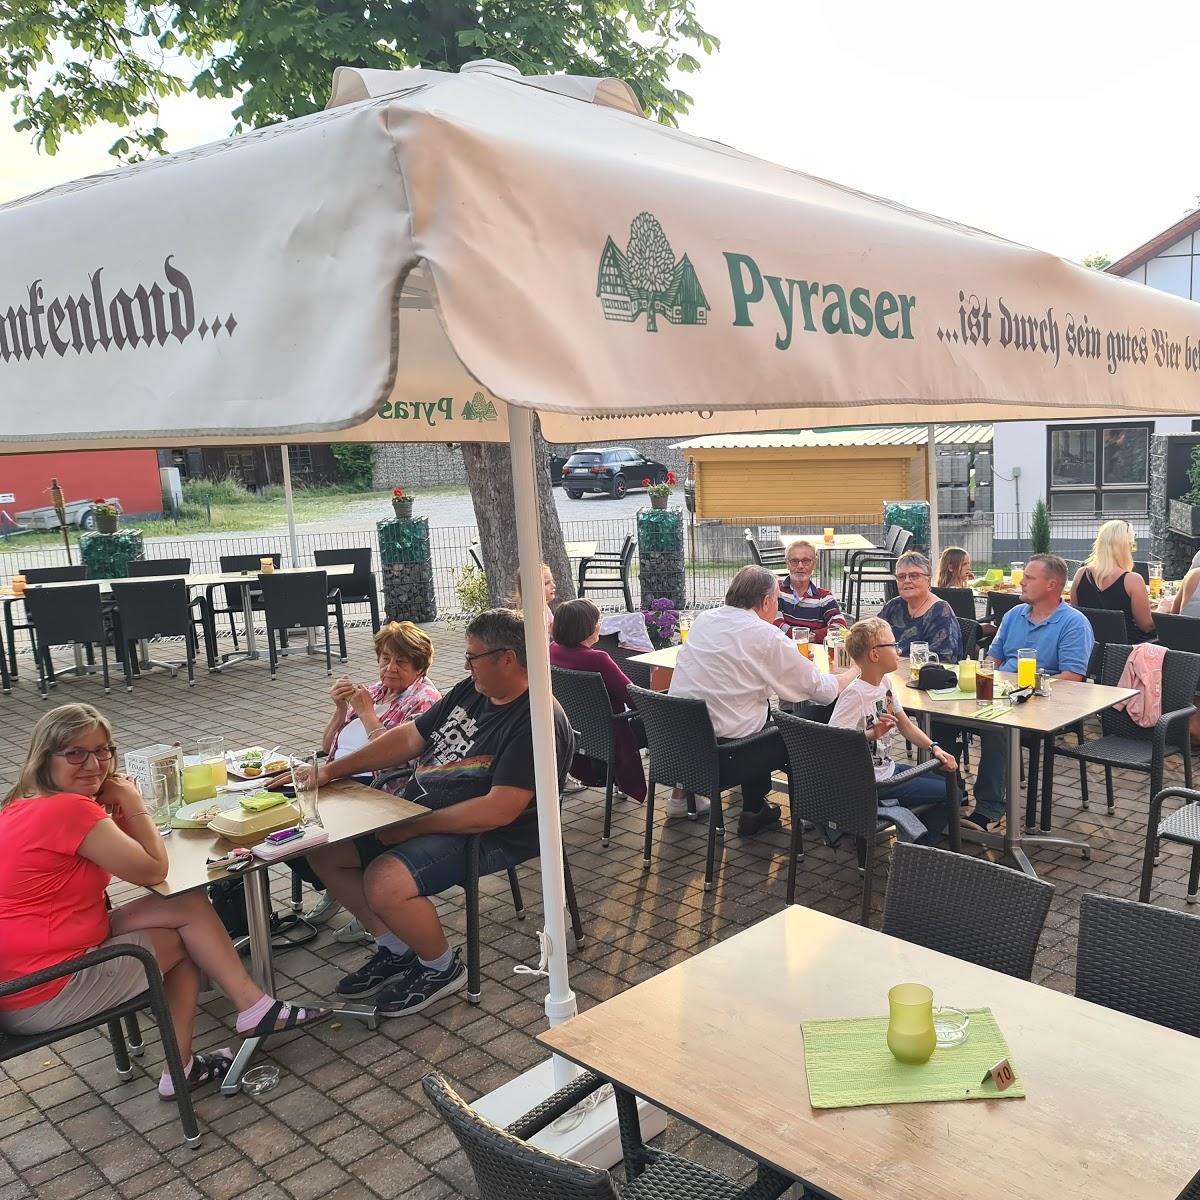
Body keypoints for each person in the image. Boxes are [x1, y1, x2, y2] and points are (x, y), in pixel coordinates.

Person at [0, 705, 330, 1097]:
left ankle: (253, 1008)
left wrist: (117, 805)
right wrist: (128, 797)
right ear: (45, 757)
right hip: (45, 988)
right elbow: (153, 869)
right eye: (75, 753)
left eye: (103, 750)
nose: (94, 764)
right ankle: (182, 1068)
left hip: (40, 960)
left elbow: (133, 856)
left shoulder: (22, 802)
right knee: (185, 943)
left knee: (187, 905)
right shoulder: (67, 809)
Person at [303, 609, 574, 1016]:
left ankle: (441, 967)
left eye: (473, 656)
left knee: (384, 881)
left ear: (508, 659)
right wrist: (332, 770)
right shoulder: (473, 690)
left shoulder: (537, 719)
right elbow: (411, 737)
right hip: (420, 812)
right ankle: (396, 948)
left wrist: (413, 827)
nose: (466, 665)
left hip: (490, 833)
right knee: (323, 850)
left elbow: (499, 811)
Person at [669, 565, 858, 836]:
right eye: (777, 602)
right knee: (818, 714)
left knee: (758, 715)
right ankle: (825, 808)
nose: (777, 609)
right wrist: (853, 671)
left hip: (683, 747)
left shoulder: (705, 619)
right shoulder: (765, 634)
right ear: (767, 601)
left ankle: (751, 807)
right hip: (729, 756)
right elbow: (822, 690)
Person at [966, 555, 1094, 830]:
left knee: (997, 727)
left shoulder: (1074, 623)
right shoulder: (1014, 615)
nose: (1021, 582)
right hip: (1003, 695)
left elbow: (1073, 677)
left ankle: (988, 811)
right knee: (942, 716)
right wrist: (982, 675)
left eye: (1029, 578)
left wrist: (1026, 689)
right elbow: (995, 658)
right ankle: (948, 796)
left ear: (1051, 585)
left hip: (1045, 704)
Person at [830, 617, 958, 843]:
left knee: (953, 783)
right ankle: (915, 855)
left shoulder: (885, 683)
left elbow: (906, 726)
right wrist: (872, 734)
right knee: (952, 793)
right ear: (875, 654)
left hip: (886, 771)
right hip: (873, 782)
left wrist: (934, 747)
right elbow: (832, 742)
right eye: (893, 644)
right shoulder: (855, 695)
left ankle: (912, 838)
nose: (898, 650)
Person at [323, 621, 441, 794]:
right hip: (336, 779)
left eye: (401, 662)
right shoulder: (376, 690)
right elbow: (327, 748)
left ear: (420, 668)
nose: (391, 668)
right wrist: (340, 709)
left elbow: (396, 758)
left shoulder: (425, 700)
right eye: (385, 658)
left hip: (374, 789)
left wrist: (366, 714)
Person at [549, 598, 647, 802]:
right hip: (611, 733)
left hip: (573, 731)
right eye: (598, 621)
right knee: (657, 725)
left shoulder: (551, 650)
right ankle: (682, 795)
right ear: (589, 629)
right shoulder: (597, 659)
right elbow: (633, 697)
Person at [1069, 519, 1155, 641]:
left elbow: (1076, 616)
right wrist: (1163, 609)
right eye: (1131, 545)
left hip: (1088, 645)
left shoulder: (1081, 574)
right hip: (1124, 649)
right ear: (1125, 546)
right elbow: (1147, 626)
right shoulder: (1133, 580)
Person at [879, 551, 963, 661]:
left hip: (926, 675)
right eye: (901, 577)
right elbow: (870, 636)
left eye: (914, 576)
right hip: (891, 671)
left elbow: (943, 660)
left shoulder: (940, 613)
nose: (907, 580)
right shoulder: (894, 606)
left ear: (928, 581)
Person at [775, 539, 848, 643]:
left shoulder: (824, 597)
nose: (800, 566)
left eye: (806, 561)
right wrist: (805, 637)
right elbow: (774, 623)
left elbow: (840, 626)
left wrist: (810, 636)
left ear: (814, 564)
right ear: (787, 564)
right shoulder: (777, 592)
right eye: (794, 561)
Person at [511, 563, 555, 637]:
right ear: (532, 587)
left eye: (552, 581)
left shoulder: (545, 607)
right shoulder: (532, 612)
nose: (553, 585)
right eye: (546, 583)